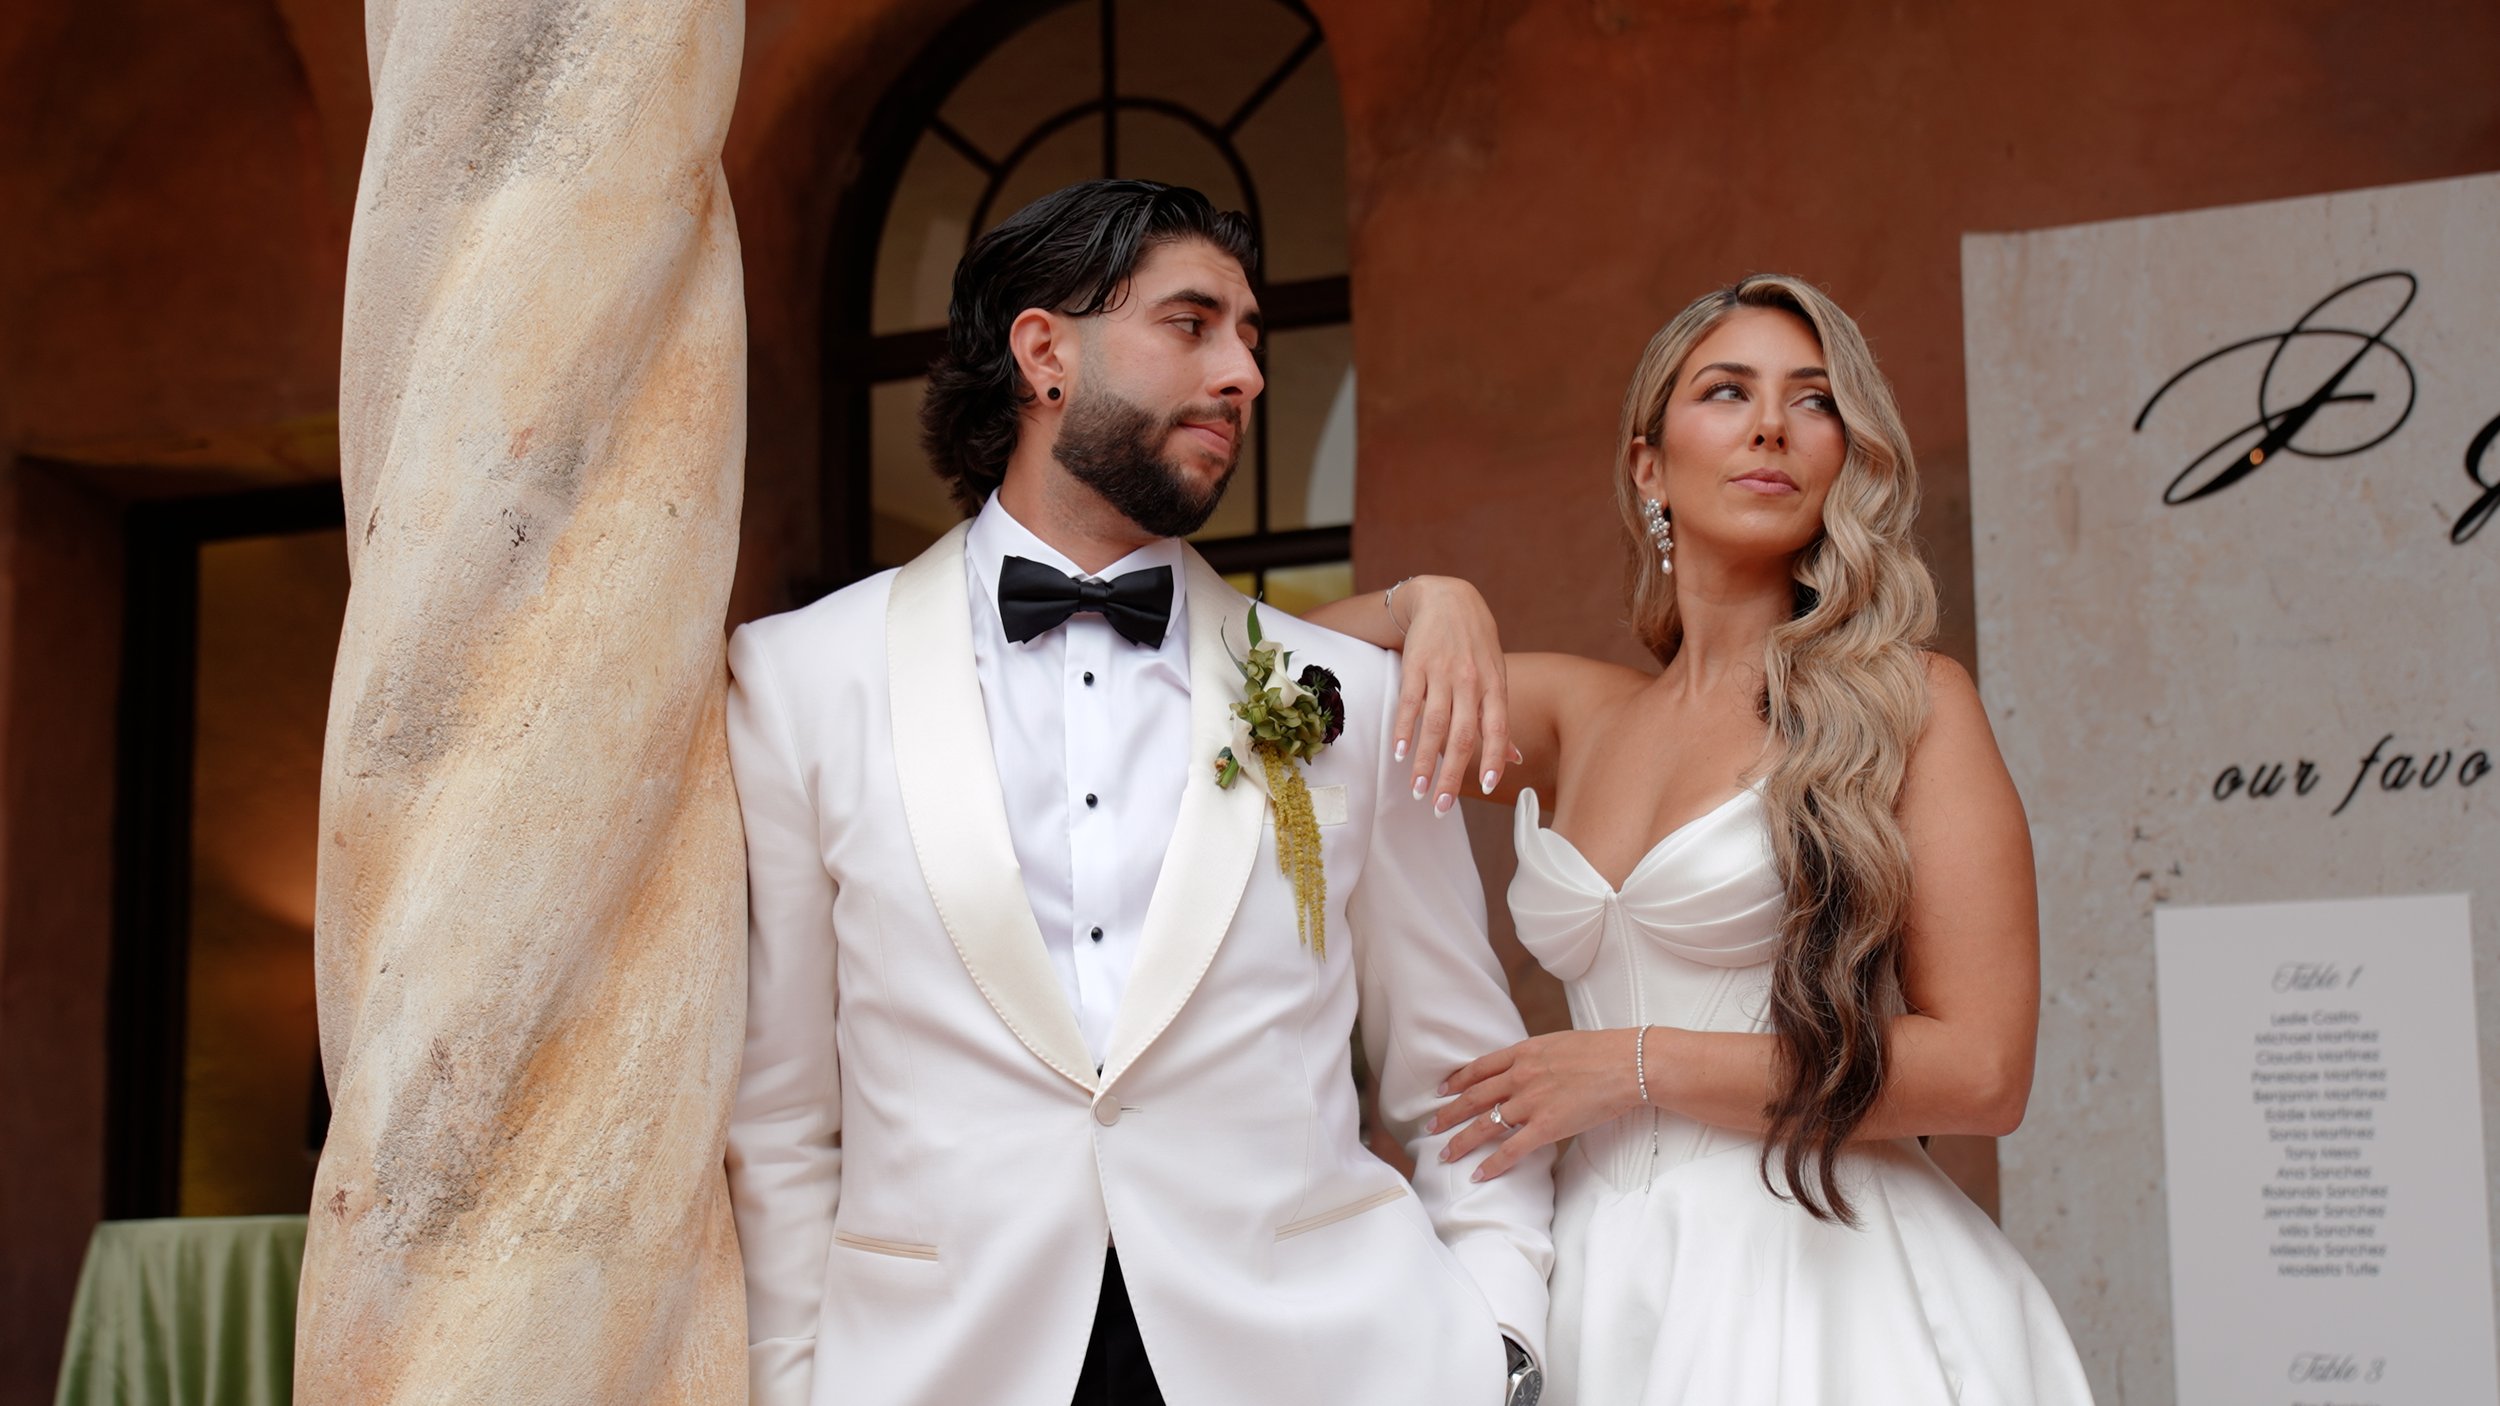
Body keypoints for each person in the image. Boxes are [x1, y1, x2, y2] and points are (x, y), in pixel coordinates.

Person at [721, 179, 1555, 1406]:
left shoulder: (1354, 700)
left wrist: (1504, 1342)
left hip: (1324, 1362)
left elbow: (1462, 1080)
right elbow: (783, 1115)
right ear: (1044, 352)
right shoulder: (799, 680)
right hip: (942, 1366)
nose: (1245, 374)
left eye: (1253, 336)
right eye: (1192, 322)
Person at [1321, 275, 2094, 1404]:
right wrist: (1428, 602)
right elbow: (1263, 659)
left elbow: (1983, 1071)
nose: (1771, 424)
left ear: (1844, 455)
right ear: (1649, 465)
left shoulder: (1912, 703)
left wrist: (1638, 1065)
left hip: (1820, 1278)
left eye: (1812, 399)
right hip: (1594, 1277)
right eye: (1726, 391)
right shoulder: (1580, 716)